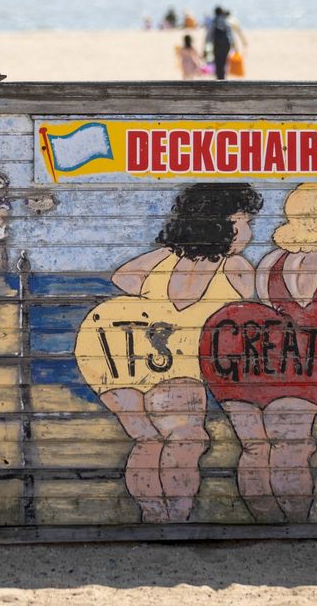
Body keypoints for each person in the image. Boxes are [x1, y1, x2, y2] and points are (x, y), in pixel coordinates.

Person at [74, 183, 263, 523]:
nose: (249, 231)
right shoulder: (237, 270)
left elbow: (124, 279)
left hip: (120, 357)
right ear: (222, 223)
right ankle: (175, 516)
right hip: (171, 362)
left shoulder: (164, 258)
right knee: (187, 440)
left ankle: (154, 517)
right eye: (244, 221)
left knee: (148, 441)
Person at [200, 183, 317, 522]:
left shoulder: (271, 261)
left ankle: (266, 522)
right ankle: (296, 524)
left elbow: (264, 315)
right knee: (292, 448)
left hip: (254, 362)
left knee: (254, 448)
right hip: (308, 367)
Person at [205, 6, 235, 80]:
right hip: (226, 44)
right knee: (224, 60)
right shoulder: (225, 20)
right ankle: (223, 76)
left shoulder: (214, 21)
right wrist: (233, 44)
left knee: (218, 61)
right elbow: (230, 33)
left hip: (217, 44)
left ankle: (219, 77)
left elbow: (209, 34)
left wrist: (207, 43)